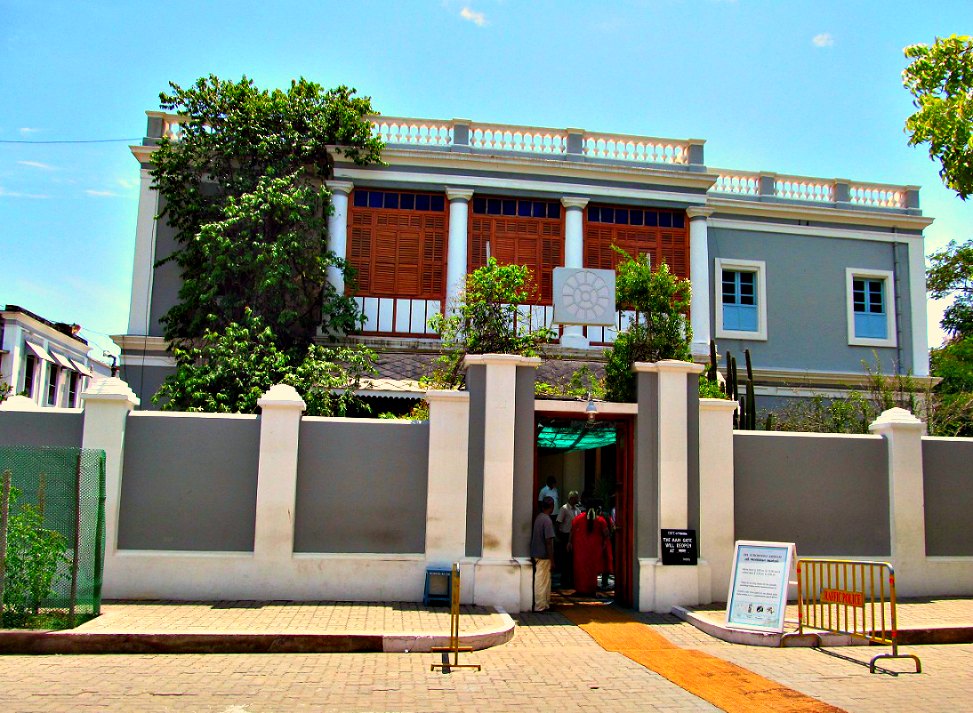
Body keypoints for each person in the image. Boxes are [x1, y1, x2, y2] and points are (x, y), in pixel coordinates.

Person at [570, 506, 613, 596]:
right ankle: (591, 590)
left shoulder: (578, 519)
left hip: (580, 549)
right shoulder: (600, 520)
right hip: (595, 550)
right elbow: (606, 533)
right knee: (592, 570)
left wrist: (569, 542)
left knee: (580, 570)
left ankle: (580, 589)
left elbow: (572, 531)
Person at [530, 496, 556, 611]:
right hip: (544, 555)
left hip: (537, 553)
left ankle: (544, 604)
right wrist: (552, 559)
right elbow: (549, 541)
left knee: (544, 580)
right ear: (552, 506)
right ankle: (540, 605)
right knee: (542, 580)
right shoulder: (547, 520)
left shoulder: (539, 518)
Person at [555, 491, 582, 588]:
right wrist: (558, 536)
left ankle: (572, 580)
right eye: (576, 497)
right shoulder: (564, 509)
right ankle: (564, 581)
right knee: (565, 559)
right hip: (565, 535)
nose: (577, 499)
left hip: (575, 536)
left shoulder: (578, 510)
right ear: (571, 498)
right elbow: (558, 522)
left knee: (572, 559)